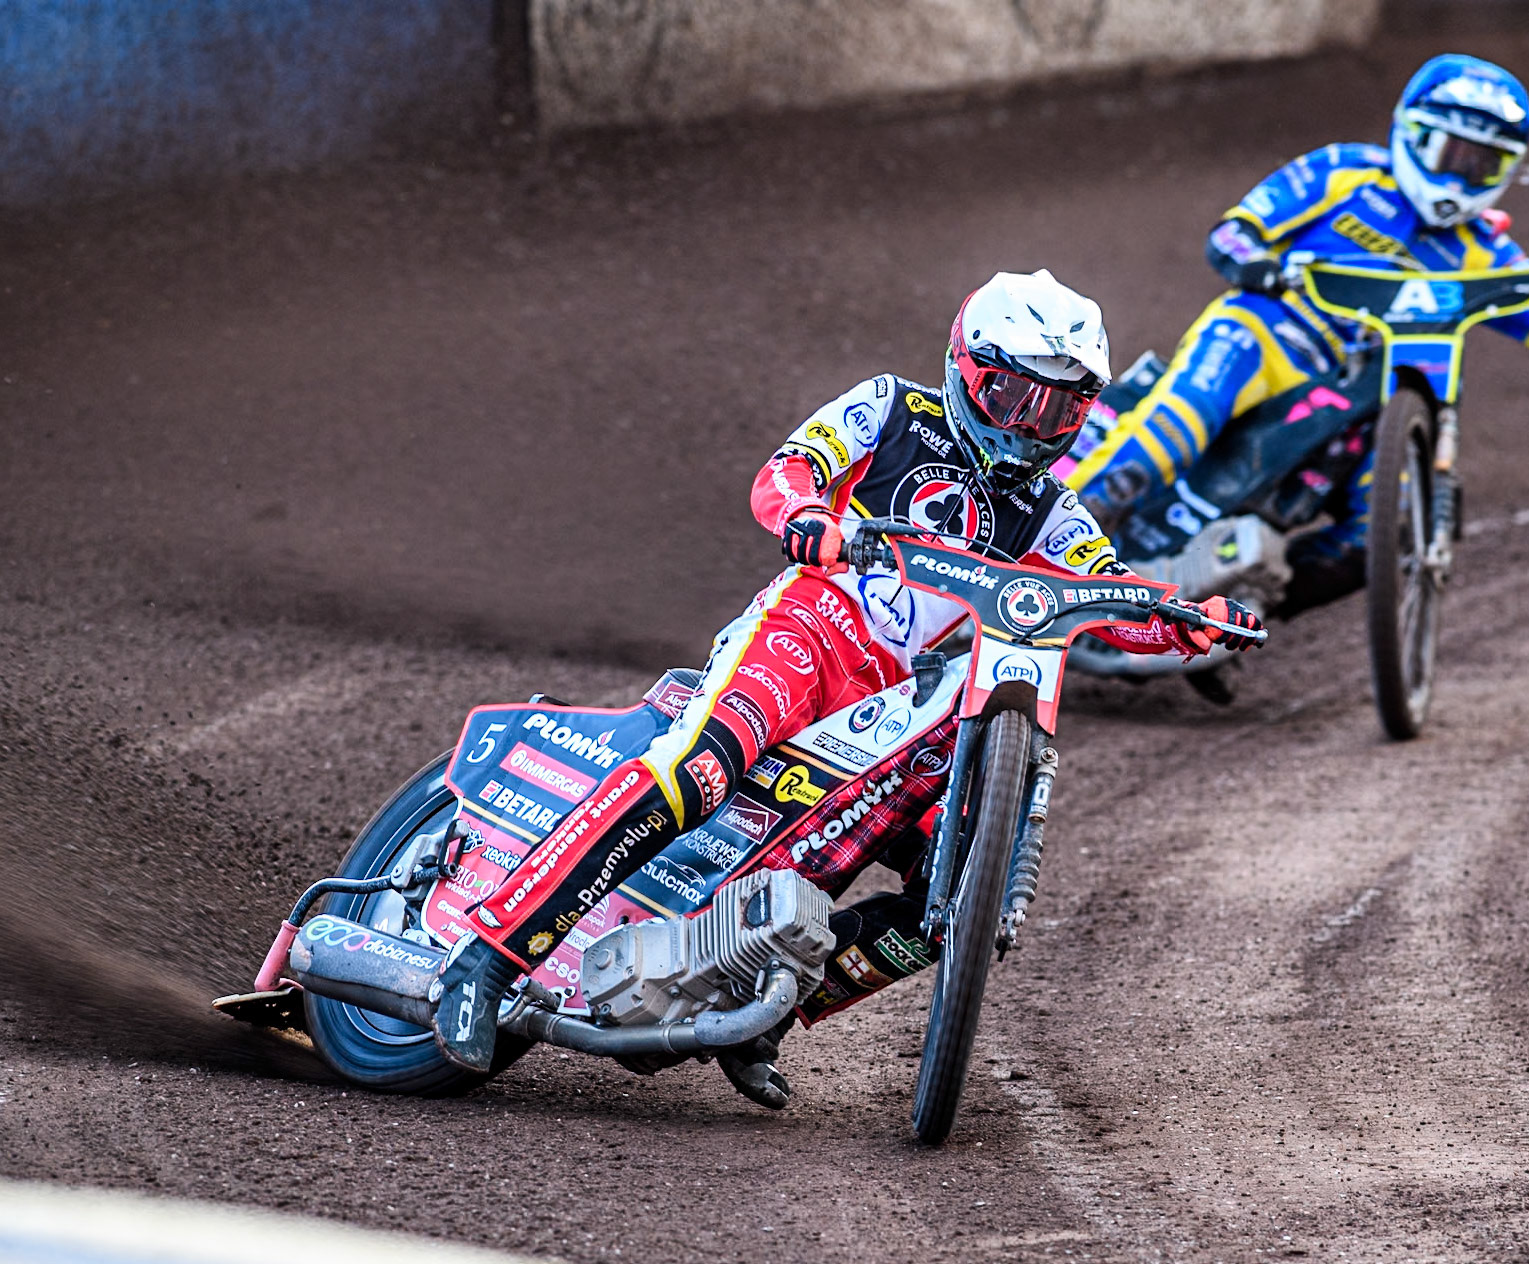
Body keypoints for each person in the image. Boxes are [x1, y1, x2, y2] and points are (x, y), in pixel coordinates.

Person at [426, 270, 1264, 1103]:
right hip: (805, 634)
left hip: (896, 699)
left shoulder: (1051, 509)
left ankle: (763, 1015)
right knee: (691, 776)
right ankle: (487, 962)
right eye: (1011, 395)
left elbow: (1112, 589)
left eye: (1055, 408)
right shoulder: (890, 408)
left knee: (959, 882)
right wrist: (807, 517)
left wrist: (1189, 618)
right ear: (967, 369)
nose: (1028, 425)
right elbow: (787, 471)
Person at [1066, 53, 1529, 620]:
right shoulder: (1344, 172)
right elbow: (1235, 232)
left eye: (1482, 165)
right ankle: (1055, 544)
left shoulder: (1485, 250)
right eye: (1450, 151)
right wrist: (1257, 265)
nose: (1460, 176)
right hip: (1269, 333)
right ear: (1411, 134)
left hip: (1367, 400)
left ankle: (1235, 617)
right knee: (1176, 428)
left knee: (1382, 532)